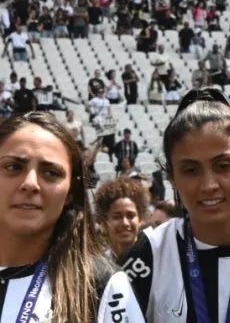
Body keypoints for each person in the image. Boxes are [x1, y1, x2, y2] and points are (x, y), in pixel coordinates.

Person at [119, 89, 230, 322]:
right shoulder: (149, 254)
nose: (209, 184)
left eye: (223, 165)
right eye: (191, 170)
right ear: (172, 177)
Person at [0, 112, 143, 322]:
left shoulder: (103, 285)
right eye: (13, 167)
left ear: (69, 193)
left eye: (50, 173)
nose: (30, 183)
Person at [94, 176, 149, 261]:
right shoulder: (100, 266)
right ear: (105, 222)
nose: (125, 223)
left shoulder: (153, 258)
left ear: (140, 219)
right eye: (116, 217)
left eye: (130, 215)